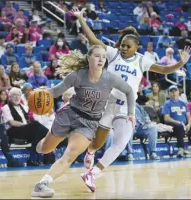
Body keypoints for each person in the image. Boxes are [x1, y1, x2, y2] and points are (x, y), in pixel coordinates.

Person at [71, 8, 191, 192]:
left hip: (127, 107)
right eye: (123, 45)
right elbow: (93, 40)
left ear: (137, 47)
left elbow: (165, 70)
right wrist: (80, 18)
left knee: (120, 143)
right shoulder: (113, 53)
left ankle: (92, 173)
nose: (124, 48)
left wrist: (180, 64)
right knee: (98, 143)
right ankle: (90, 152)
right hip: (107, 104)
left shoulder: (142, 61)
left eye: (128, 46)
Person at [31, 45, 135, 197]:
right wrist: (41, 93)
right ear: (89, 58)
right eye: (97, 56)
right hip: (69, 114)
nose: (101, 59)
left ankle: (42, 184)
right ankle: (42, 143)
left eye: (103, 57)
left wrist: (131, 112)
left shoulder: (110, 78)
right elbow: (56, 91)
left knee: (70, 154)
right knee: (45, 148)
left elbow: (129, 91)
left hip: (88, 123)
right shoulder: (77, 75)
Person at [162, 85, 191, 157]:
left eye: (175, 91)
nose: (174, 93)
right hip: (173, 125)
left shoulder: (183, 103)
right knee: (179, 126)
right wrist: (177, 122)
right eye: (172, 92)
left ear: (178, 92)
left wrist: (189, 124)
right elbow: (166, 118)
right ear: (169, 94)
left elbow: (188, 116)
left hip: (185, 124)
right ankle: (181, 148)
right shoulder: (167, 104)